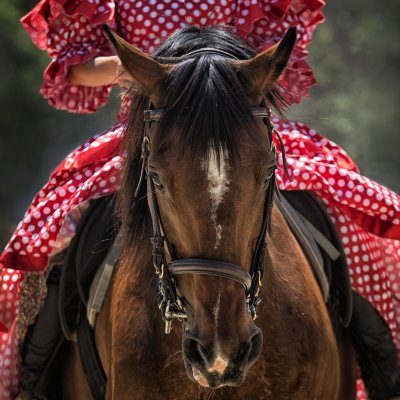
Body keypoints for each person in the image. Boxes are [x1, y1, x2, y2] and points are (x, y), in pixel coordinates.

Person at [0, 1, 399, 399]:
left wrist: (223, 73)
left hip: (235, 128)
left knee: (347, 216)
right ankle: (37, 378)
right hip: (154, 134)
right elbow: (77, 70)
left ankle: (384, 366)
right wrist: (135, 69)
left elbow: (275, 54)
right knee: (56, 236)